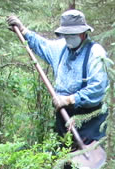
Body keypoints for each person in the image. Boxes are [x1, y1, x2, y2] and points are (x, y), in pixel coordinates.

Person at [7, 10, 109, 146]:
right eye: (66, 35)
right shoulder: (60, 48)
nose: (68, 38)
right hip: (64, 115)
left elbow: (98, 88)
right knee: (65, 158)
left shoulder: (95, 52)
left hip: (89, 117)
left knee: (88, 162)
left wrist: (70, 99)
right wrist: (23, 31)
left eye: (72, 34)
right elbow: (42, 45)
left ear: (83, 32)